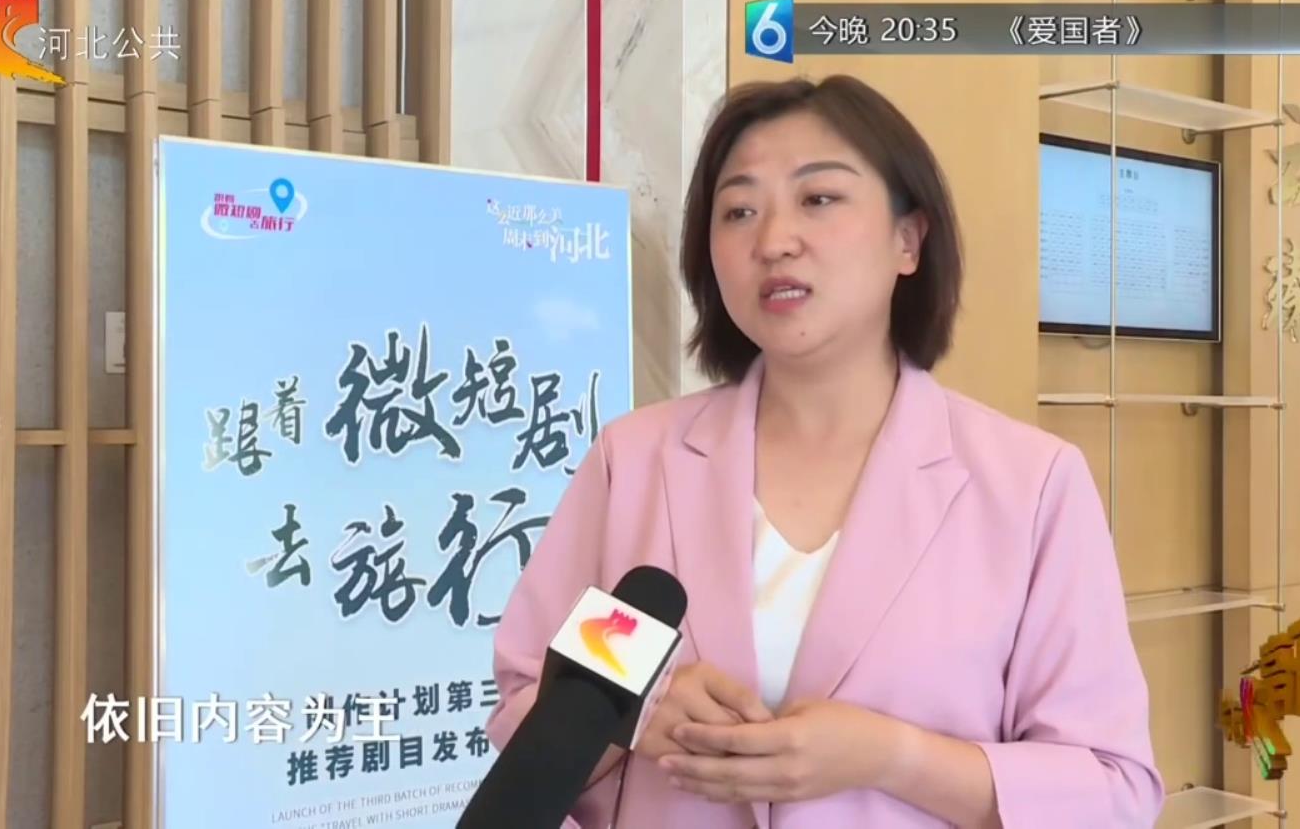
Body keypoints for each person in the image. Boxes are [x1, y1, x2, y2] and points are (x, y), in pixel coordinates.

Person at [484, 74, 1165, 828]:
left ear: (909, 240)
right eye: (739, 211)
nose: (774, 239)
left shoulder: (1030, 486)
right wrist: (634, 715)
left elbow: (1110, 791)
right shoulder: (634, 462)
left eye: (819, 198)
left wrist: (890, 757)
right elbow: (524, 703)